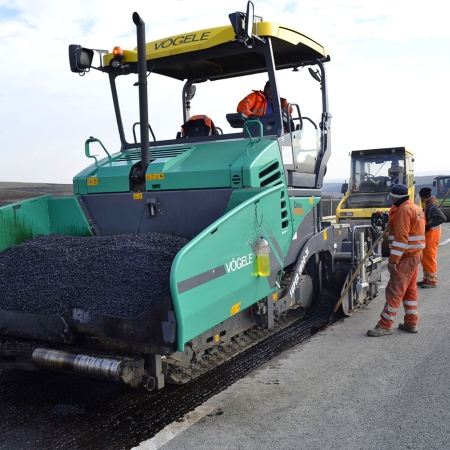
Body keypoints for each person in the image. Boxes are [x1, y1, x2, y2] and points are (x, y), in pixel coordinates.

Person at [367, 184, 426, 336]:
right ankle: (411, 323)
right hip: (415, 255)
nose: (391, 199)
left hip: (406, 257)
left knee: (395, 290)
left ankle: (385, 325)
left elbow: (401, 239)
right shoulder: (415, 208)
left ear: (395, 197)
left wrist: (393, 261)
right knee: (410, 291)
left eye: (391, 197)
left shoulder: (404, 211)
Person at [417, 187, 446, 288]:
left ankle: (432, 282)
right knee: (425, 257)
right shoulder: (429, 205)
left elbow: (442, 218)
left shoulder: (432, 206)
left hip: (432, 234)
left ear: (423, 197)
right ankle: (426, 279)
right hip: (429, 234)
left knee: (429, 256)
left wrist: (428, 226)